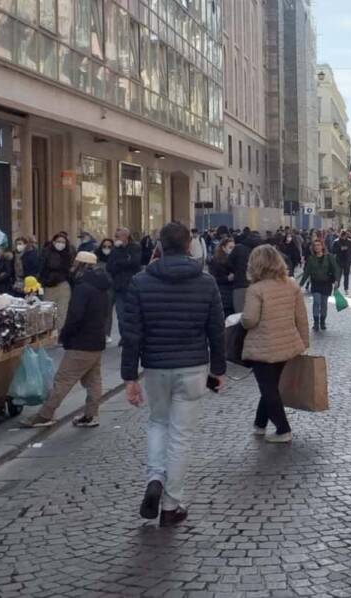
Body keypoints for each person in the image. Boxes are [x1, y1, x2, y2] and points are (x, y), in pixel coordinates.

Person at [122, 223, 226, 528]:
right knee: (180, 435)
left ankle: (155, 476)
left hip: (155, 366)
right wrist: (218, 369)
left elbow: (131, 333)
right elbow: (216, 331)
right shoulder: (206, 282)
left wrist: (129, 377)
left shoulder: (140, 282)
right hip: (192, 366)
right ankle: (171, 504)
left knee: (158, 422)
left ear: (159, 245)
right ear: (189, 245)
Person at [22, 252, 111, 428]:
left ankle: (45, 415)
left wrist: (65, 336)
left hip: (81, 342)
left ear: (82, 265)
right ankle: (91, 415)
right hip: (96, 340)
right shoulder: (102, 286)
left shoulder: (83, 287)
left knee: (63, 380)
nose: (72, 267)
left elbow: (75, 316)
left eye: (75, 263)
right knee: (93, 380)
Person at [241, 245, 310, 444]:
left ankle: (283, 429)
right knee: (270, 386)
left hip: (263, 347)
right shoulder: (291, 285)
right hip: (287, 344)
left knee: (269, 389)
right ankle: (260, 424)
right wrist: (304, 342)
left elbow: (250, 320)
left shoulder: (256, 289)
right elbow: (301, 317)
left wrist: (241, 319)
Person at [106, 228, 142, 340]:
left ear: (126, 236)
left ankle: (132, 336)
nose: (116, 238)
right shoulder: (115, 250)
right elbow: (109, 266)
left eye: (118, 236)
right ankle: (124, 337)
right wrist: (124, 261)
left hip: (132, 286)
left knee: (132, 313)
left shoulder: (135, 247)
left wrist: (119, 263)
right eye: (115, 236)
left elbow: (135, 263)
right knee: (120, 314)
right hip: (119, 287)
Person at [300, 238, 341, 332]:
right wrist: (300, 285)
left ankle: (322, 322)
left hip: (326, 283)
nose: (317, 247)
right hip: (315, 283)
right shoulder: (311, 258)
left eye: (318, 245)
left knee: (323, 304)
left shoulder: (329, 257)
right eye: (315, 246)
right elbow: (306, 272)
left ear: (322, 246)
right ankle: (316, 323)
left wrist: (337, 280)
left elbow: (336, 269)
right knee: (316, 302)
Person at [40, 233, 74, 322]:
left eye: (63, 242)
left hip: (63, 285)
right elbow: (41, 269)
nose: (61, 244)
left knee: (62, 312)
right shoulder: (46, 253)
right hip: (49, 286)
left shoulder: (68, 254)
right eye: (58, 241)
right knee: (47, 312)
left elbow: (70, 270)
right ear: (54, 242)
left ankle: (60, 330)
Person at [228, 233, 256, 313]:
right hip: (253, 284)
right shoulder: (257, 250)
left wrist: (235, 271)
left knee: (239, 312)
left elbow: (229, 263)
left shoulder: (238, 248)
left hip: (239, 283)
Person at [209, 238, 236, 316]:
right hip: (222, 292)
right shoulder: (216, 260)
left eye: (234, 248)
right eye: (230, 248)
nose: (232, 250)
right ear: (223, 248)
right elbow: (213, 278)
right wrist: (227, 278)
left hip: (232, 292)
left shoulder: (235, 259)